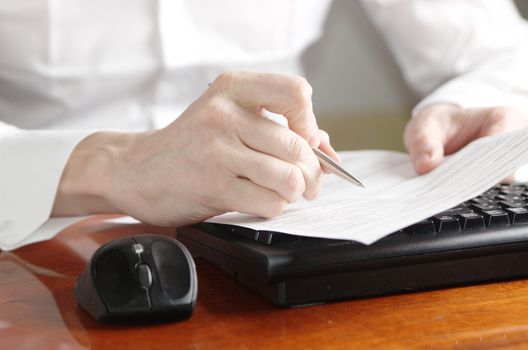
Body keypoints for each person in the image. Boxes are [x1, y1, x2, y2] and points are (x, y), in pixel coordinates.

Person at [1, 0, 527, 251]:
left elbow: (505, 51)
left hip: (273, 248)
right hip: (33, 251)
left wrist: (470, 100)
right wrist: (115, 165)